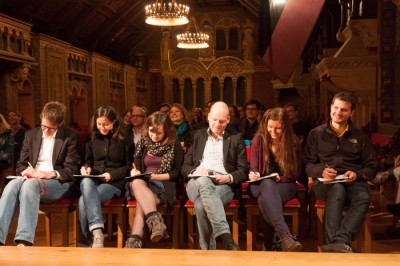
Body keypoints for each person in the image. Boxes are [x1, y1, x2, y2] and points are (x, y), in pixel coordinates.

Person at [303, 91, 377, 253]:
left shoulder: (360, 136)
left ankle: (340, 240)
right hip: (325, 183)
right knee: (336, 190)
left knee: (363, 196)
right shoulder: (316, 134)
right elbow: (307, 165)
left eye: (344, 110)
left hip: (352, 181)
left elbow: (372, 167)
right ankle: (333, 242)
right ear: (330, 108)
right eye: (336, 108)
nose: (338, 113)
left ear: (352, 112)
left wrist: (356, 174)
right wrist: (321, 171)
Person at [0, 101, 81, 246]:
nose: (45, 131)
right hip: (32, 179)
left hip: (59, 182)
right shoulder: (31, 134)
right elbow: (20, 164)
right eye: (44, 126)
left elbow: (71, 169)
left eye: (51, 128)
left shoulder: (71, 136)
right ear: (41, 117)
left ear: (60, 123)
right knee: (12, 185)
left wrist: (50, 174)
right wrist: (27, 170)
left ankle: (24, 239)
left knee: (30, 185)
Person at [182, 101, 247, 250]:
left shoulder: (236, 138)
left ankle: (207, 252)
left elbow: (243, 170)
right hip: (196, 184)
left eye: (222, 121)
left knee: (200, 205)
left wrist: (228, 177)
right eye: (214, 120)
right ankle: (226, 236)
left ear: (228, 120)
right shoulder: (197, 136)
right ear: (208, 117)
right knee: (204, 180)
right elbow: (184, 167)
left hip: (223, 185)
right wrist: (196, 171)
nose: (217, 124)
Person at [125, 111, 183, 248]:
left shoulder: (174, 145)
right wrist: (135, 172)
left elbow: (175, 173)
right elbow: (137, 167)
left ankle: (135, 238)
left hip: (164, 183)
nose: (154, 136)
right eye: (152, 132)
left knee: (142, 200)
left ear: (167, 131)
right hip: (142, 183)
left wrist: (154, 177)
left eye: (159, 133)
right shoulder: (143, 143)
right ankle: (156, 222)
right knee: (137, 181)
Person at [78, 106, 133, 248]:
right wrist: (86, 168)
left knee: (83, 200)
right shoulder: (92, 137)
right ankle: (96, 234)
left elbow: (129, 166)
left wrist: (111, 175)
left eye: (106, 124)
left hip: (114, 182)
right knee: (85, 181)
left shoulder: (125, 138)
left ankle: (85, 242)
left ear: (114, 121)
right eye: (99, 124)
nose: (102, 127)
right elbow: (87, 161)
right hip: (94, 179)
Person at [248, 107, 302, 252]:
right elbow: (253, 168)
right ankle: (285, 235)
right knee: (267, 183)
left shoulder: (293, 141)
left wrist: (281, 178)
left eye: (277, 128)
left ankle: (269, 246)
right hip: (260, 184)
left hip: (285, 184)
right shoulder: (258, 140)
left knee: (263, 200)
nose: (273, 131)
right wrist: (253, 174)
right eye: (270, 127)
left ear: (285, 126)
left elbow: (296, 172)